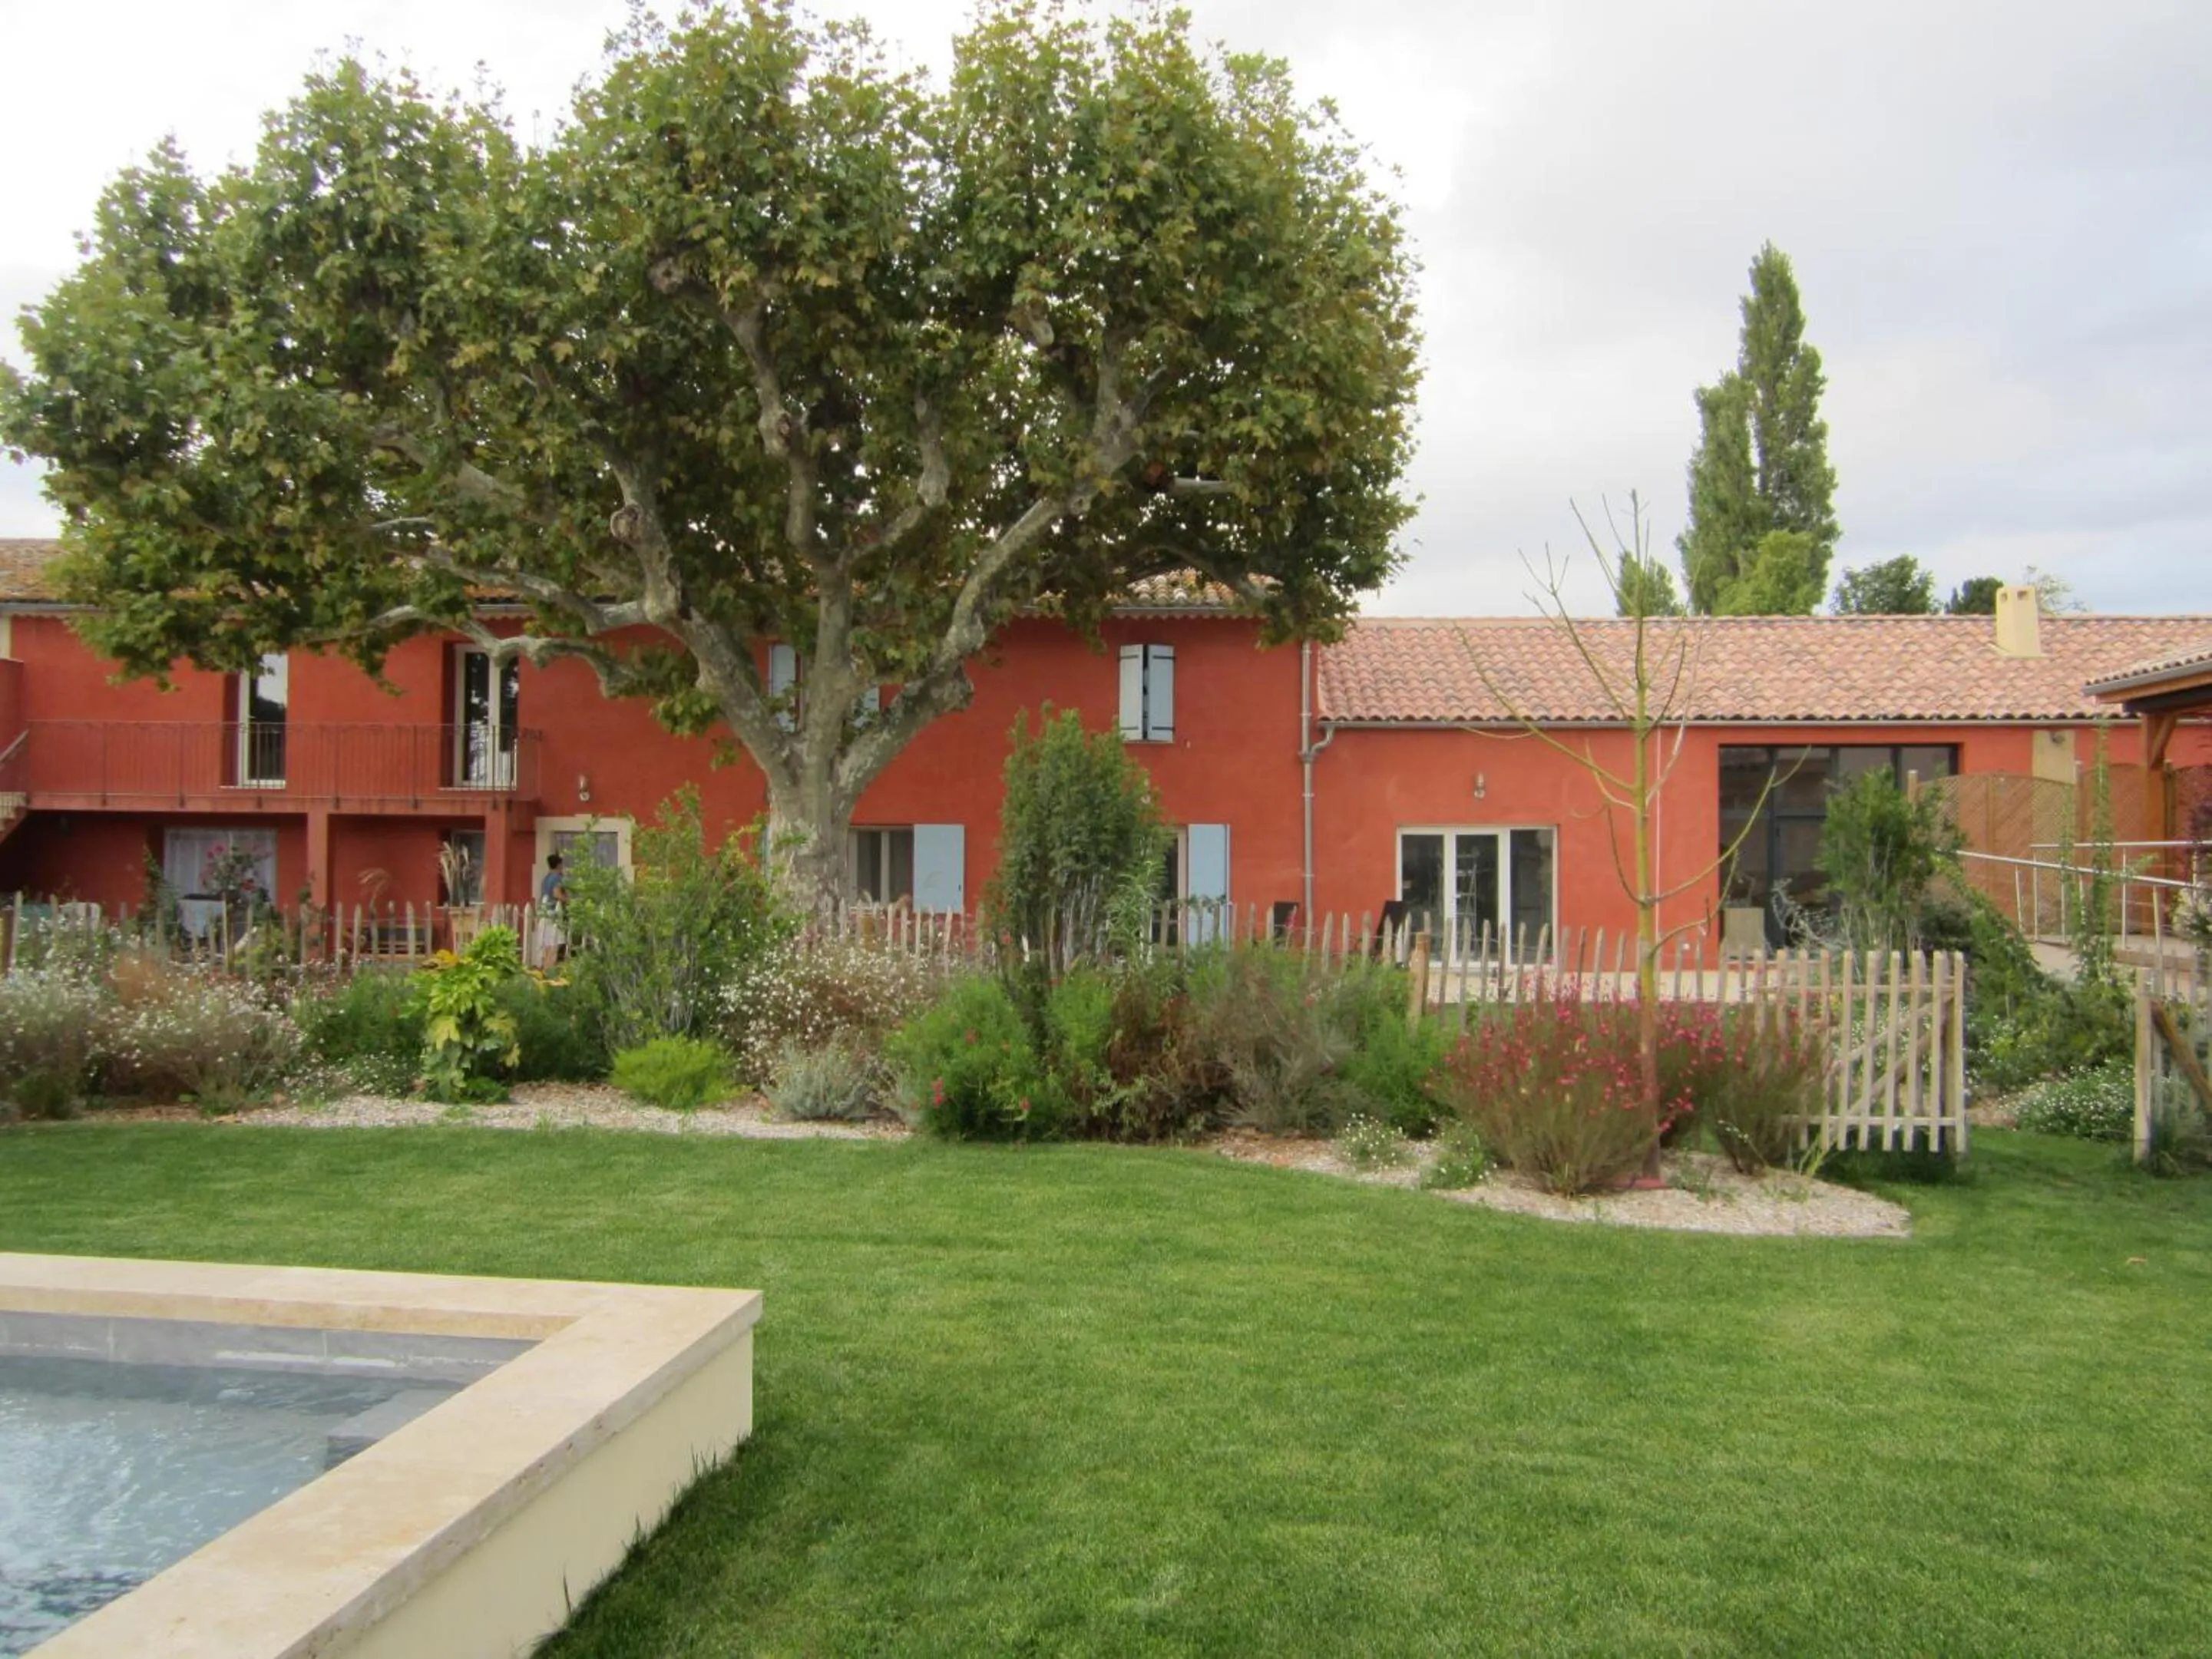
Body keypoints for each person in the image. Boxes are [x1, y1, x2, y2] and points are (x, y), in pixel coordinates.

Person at [536, 853, 567, 970]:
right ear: (559, 865)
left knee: (547, 943)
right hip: (553, 913)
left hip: (545, 912)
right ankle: (550, 969)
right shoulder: (556, 878)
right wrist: (568, 901)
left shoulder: (546, 878)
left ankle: (546, 967)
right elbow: (556, 893)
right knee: (555, 942)